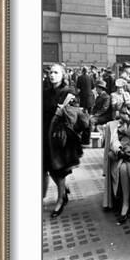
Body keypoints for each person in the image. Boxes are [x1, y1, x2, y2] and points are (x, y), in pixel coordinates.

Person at [43, 63, 89, 218]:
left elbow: (74, 115)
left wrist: (62, 110)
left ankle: (61, 198)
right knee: (49, 167)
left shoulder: (68, 92)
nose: (52, 75)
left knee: (59, 169)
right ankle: (63, 191)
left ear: (63, 75)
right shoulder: (46, 92)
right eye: (50, 72)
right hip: (45, 134)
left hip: (61, 136)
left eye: (56, 72)